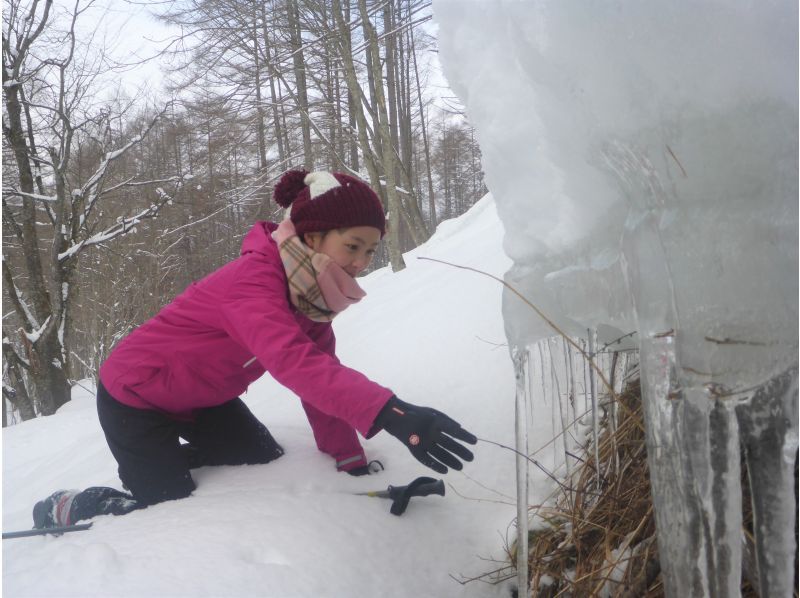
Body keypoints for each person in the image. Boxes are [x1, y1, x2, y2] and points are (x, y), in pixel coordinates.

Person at [32, 169, 477, 529]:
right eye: (352, 246)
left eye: (370, 250)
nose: (361, 263)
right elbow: (294, 363)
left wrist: (349, 459)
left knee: (262, 460)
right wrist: (390, 411)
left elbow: (320, 373)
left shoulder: (310, 299)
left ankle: (162, 461)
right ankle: (81, 504)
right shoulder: (254, 282)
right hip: (137, 397)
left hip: (203, 398)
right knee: (167, 507)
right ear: (314, 236)